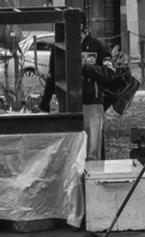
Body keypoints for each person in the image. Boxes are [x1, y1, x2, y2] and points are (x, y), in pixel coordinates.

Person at [39, 20, 115, 160]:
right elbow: (51, 77)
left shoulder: (96, 46)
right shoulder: (59, 48)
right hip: (66, 103)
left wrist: (86, 68)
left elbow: (109, 74)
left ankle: (92, 178)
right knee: (68, 151)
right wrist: (44, 105)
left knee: (92, 149)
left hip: (91, 103)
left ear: (82, 28)